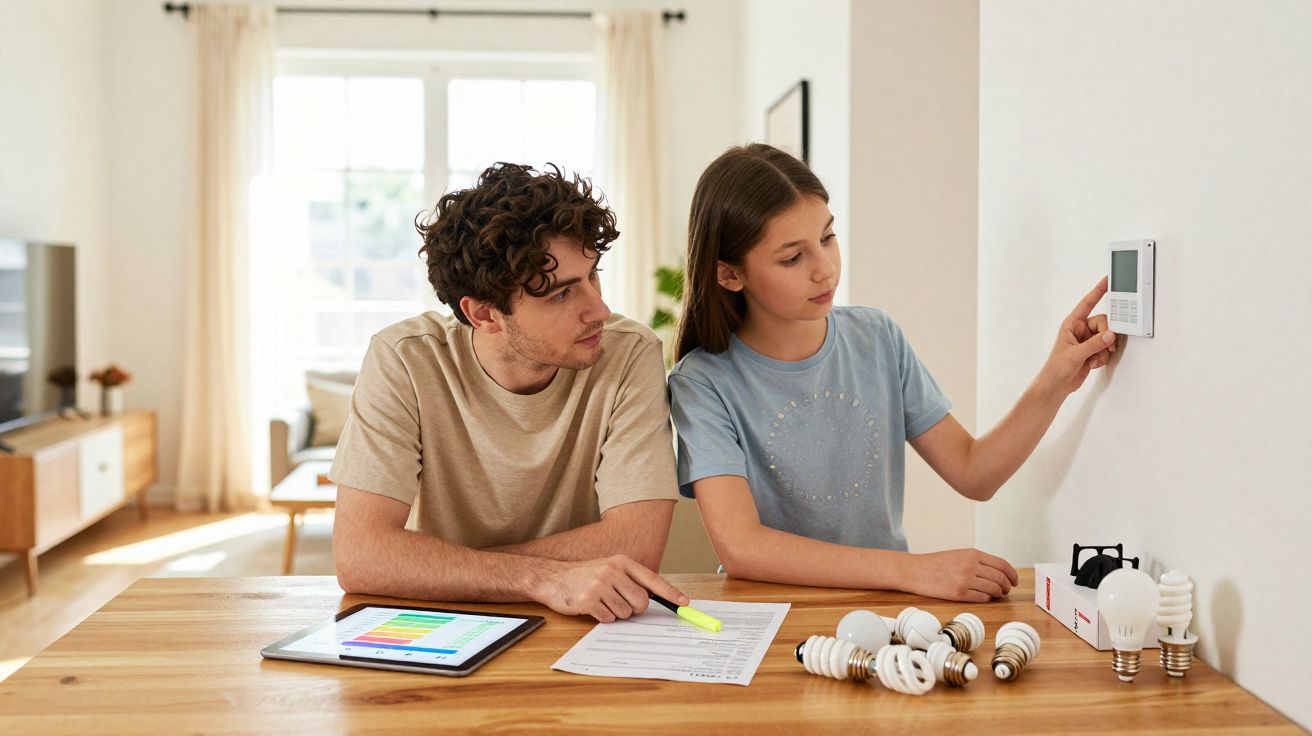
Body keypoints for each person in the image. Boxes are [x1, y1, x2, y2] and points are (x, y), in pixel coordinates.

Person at [669, 144, 1118, 603]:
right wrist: (913, 570)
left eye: (826, 238)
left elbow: (974, 473)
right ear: (728, 275)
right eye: (792, 258)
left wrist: (1057, 376)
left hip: (881, 606)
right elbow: (743, 548)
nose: (825, 270)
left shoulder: (876, 337)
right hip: (766, 617)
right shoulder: (702, 382)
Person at [330, 162, 689, 622]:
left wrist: (443, 567)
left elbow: (635, 544)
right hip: (439, 624)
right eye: (561, 294)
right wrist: (539, 578)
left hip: (579, 624)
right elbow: (362, 555)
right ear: (483, 315)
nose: (600, 309)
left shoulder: (627, 354)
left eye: (593, 275)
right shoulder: (404, 359)